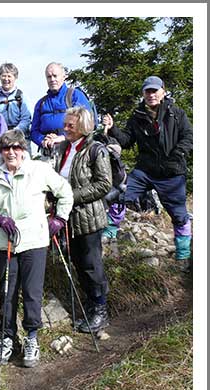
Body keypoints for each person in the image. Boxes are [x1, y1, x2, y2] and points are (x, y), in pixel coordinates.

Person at [0, 130, 73, 367]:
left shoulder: (38, 170)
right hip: (5, 243)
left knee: (31, 292)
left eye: (16, 148)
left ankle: (31, 338)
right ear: (0, 152)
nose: (11, 153)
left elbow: (65, 192)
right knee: (7, 292)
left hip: (35, 241)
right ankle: (7, 337)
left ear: (24, 149)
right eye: (6, 149)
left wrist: (60, 219)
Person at [103, 76, 193, 269]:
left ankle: (183, 255)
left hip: (172, 173)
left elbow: (188, 136)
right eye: (147, 91)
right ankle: (108, 235)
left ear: (163, 91)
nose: (151, 94)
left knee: (179, 215)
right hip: (145, 170)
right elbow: (126, 141)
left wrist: (177, 154)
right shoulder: (137, 115)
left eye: (154, 91)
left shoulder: (176, 113)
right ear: (143, 93)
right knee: (121, 194)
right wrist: (112, 129)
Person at [53, 106, 113, 334]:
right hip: (68, 217)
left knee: (91, 264)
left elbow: (104, 184)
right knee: (78, 262)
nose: (65, 128)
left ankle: (100, 310)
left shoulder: (96, 149)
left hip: (88, 217)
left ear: (84, 126)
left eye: (71, 125)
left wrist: (70, 197)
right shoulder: (62, 148)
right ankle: (91, 305)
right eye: (65, 124)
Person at [30, 62, 92, 154]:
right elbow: (34, 131)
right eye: (49, 77)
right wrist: (43, 140)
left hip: (72, 151)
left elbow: (86, 124)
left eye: (55, 76)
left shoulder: (75, 96)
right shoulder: (41, 103)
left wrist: (63, 137)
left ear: (64, 76)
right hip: (48, 153)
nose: (52, 79)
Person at [0, 63, 32, 152]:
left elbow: (26, 119)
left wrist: (14, 133)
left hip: (21, 139)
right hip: (1, 139)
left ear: (15, 77)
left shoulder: (22, 96)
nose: (6, 79)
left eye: (9, 76)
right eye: (3, 76)